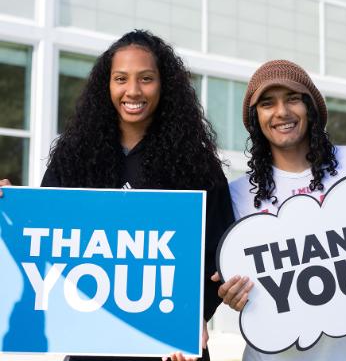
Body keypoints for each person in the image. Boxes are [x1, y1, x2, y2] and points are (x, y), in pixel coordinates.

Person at [0, 30, 234, 361]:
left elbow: (220, 253)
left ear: (163, 84)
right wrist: (12, 215)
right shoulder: (74, 156)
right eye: (121, 78)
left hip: (170, 347)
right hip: (93, 342)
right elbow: (45, 239)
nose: (133, 91)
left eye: (146, 79)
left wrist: (196, 315)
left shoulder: (196, 164)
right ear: (106, 85)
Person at [211, 59, 346, 361]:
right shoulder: (237, 193)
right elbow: (235, 280)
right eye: (267, 103)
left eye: (293, 98)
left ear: (312, 108)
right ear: (255, 117)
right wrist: (233, 295)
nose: (282, 112)